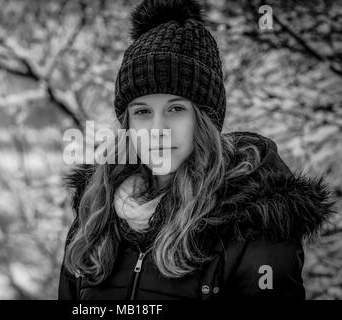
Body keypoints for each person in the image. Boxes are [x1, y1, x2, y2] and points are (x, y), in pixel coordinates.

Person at [57, 0, 336, 300]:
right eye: (142, 112)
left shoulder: (254, 225)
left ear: (203, 120)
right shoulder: (95, 214)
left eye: (175, 108)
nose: (157, 129)